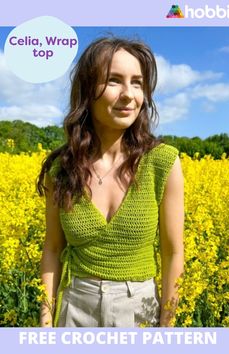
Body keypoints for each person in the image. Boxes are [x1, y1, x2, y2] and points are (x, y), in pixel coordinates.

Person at [37, 36, 184, 328]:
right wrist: (45, 324)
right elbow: (52, 249)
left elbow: (173, 253)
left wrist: (168, 328)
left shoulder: (162, 163)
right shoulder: (62, 170)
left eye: (138, 83)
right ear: (87, 90)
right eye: (114, 81)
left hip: (139, 309)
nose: (129, 94)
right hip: (74, 309)